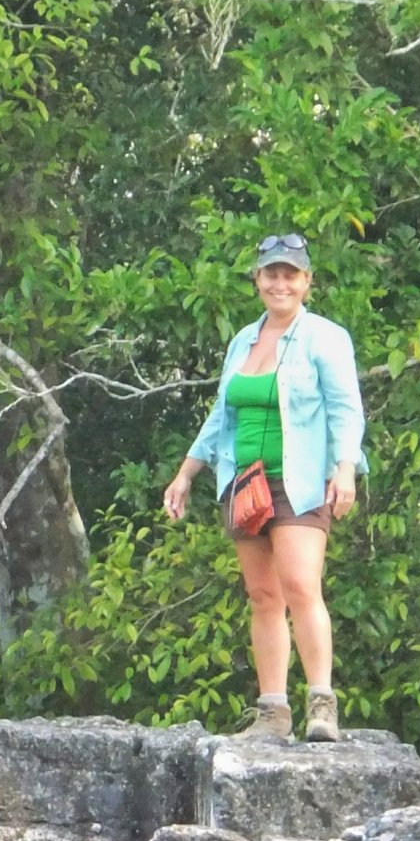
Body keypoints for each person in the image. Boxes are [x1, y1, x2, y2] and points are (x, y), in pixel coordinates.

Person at [162, 232, 367, 743]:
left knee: (301, 585)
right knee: (262, 595)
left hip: (298, 479)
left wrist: (345, 468)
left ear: (307, 282)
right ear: (257, 280)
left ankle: (322, 704)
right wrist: (187, 473)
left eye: (290, 274)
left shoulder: (325, 337)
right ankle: (272, 713)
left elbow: (346, 408)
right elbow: (219, 415)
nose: (280, 283)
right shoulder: (243, 341)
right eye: (271, 273)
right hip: (245, 482)